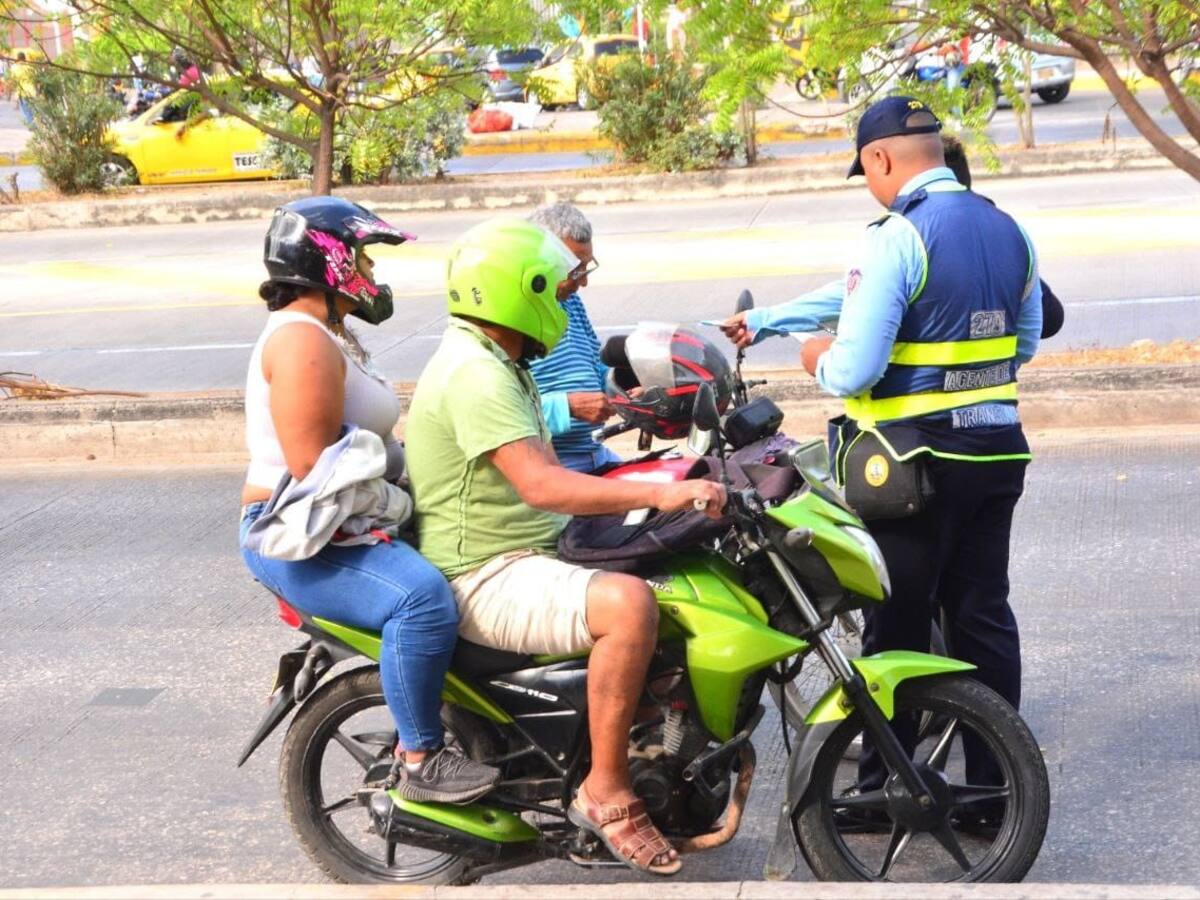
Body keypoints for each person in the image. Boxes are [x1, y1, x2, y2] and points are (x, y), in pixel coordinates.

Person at [721, 96, 1041, 826]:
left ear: (881, 159)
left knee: (896, 627)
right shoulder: (1009, 228)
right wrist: (771, 318)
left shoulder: (894, 235)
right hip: (996, 452)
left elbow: (854, 366)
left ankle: (880, 791)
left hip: (910, 468)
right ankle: (994, 792)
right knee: (982, 615)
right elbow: (1021, 345)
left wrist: (813, 357)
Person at [405, 216, 726, 876]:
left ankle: (651, 746)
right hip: (487, 570)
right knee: (629, 607)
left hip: (532, 547)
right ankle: (604, 789)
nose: (563, 302)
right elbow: (543, 484)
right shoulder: (476, 373)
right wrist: (660, 496)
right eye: (552, 290)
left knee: (678, 576)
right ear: (514, 291)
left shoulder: (501, 359)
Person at [237, 196, 499, 805]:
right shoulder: (302, 342)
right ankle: (420, 758)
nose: (372, 274)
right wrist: (400, 500)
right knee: (423, 601)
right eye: (361, 257)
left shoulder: (324, 332)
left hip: (338, 520)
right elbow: (314, 467)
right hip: (302, 534)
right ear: (327, 261)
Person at [941, 135, 1064, 339]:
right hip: (1001, 369)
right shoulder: (1000, 231)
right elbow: (1049, 319)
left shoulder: (909, 237)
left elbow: (1050, 318)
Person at [526, 201, 617, 473]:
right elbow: (503, 414)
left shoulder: (571, 304)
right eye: (575, 270)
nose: (583, 282)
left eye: (586, 268)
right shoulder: (512, 322)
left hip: (595, 452)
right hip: (555, 466)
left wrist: (622, 390)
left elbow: (594, 367)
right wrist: (568, 407)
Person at [10, 53, 34, 127]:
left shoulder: (14, 67)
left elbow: (13, 81)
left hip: (21, 92)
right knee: (32, 110)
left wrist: (13, 93)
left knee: (26, 110)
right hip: (31, 91)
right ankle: (33, 125)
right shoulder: (30, 67)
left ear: (17, 58)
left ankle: (32, 126)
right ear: (24, 58)